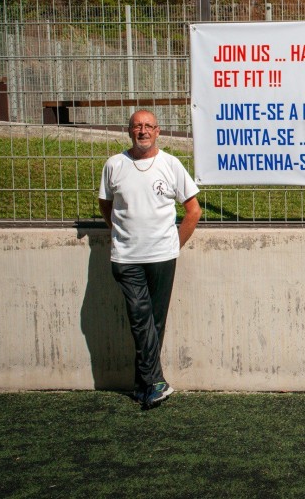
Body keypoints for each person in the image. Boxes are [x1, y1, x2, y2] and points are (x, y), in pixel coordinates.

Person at [98, 110, 201, 409]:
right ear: (128, 132)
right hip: (126, 257)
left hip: (162, 257)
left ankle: (142, 385)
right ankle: (156, 381)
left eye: (148, 126)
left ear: (158, 132)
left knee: (154, 321)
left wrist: (173, 245)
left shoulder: (171, 164)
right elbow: (106, 206)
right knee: (140, 317)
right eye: (137, 126)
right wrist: (121, 232)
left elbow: (193, 211)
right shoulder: (114, 165)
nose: (142, 131)